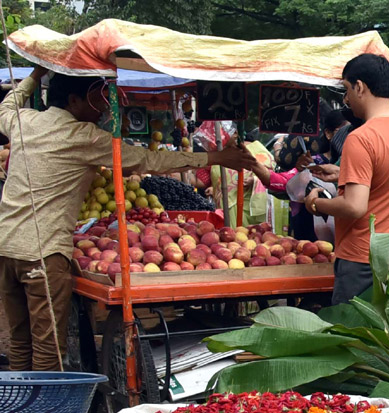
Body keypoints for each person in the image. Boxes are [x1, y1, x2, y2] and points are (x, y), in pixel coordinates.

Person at [0, 69, 254, 372]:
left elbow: (6, 105)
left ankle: (20, 411)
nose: (106, 106)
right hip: (43, 253)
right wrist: (214, 159)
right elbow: (148, 160)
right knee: (48, 345)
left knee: (19, 340)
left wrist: (35, 74)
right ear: (74, 100)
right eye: (98, 99)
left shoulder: (23, 120)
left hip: (7, 248)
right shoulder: (83, 136)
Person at [306, 54, 389, 304]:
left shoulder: (361, 138)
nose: (346, 99)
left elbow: (354, 206)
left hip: (364, 263)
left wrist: (316, 204)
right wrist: (341, 174)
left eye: (347, 90)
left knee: (357, 340)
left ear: (360, 87)